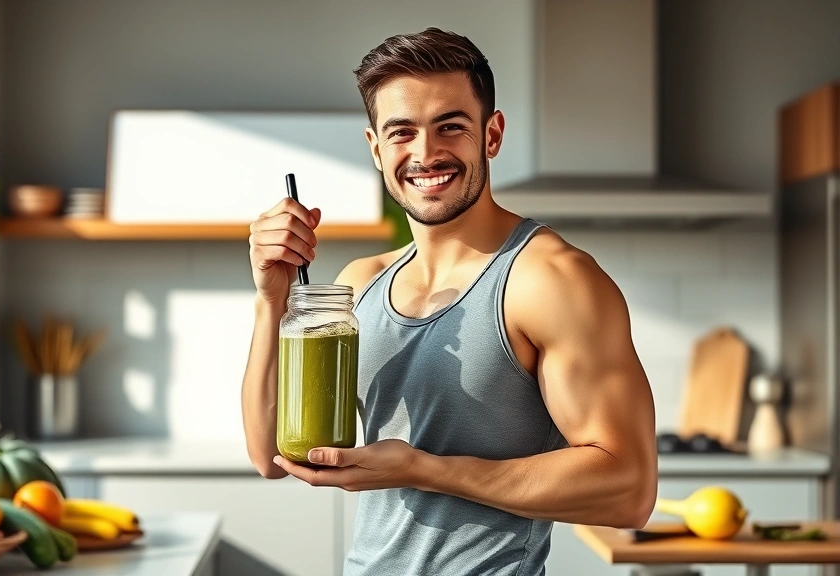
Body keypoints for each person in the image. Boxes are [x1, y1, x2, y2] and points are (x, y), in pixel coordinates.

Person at [241, 27, 657, 576]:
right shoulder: (358, 283)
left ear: (492, 133)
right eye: (401, 132)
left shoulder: (551, 280)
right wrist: (271, 300)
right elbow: (272, 454)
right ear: (375, 148)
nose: (425, 153)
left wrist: (423, 469)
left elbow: (628, 488)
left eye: (450, 127)